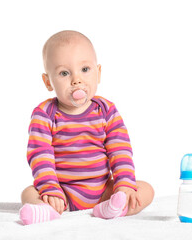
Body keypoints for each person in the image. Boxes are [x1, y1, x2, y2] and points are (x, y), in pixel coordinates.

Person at [20, 30, 154, 225]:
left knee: (145, 190)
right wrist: (50, 189)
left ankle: (114, 207)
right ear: (48, 81)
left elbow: (120, 150)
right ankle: (48, 211)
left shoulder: (106, 110)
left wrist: (124, 184)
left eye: (85, 69)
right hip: (62, 192)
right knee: (28, 193)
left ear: (98, 73)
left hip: (103, 191)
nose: (77, 80)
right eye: (64, 73)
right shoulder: (45, 114)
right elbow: (40, 155)